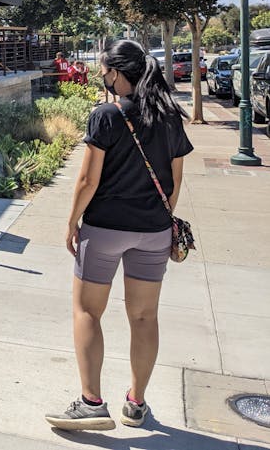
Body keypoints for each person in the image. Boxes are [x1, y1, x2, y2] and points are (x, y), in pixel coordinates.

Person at [45, 39, 192, 431]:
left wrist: (72, 220)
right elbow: (175, 183)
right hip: (154, 231)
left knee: (88, 311)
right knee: (144, 317)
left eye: (104, 70)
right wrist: (157, 220)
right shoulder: (170, 115)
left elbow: (88, 179)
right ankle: (136, 402)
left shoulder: (107, 116)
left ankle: (91, 403)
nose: (102, 76)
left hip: (105, 228)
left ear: (116, 73)